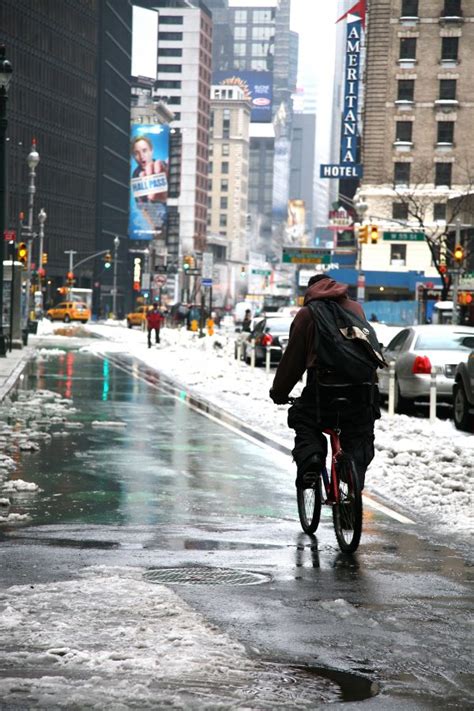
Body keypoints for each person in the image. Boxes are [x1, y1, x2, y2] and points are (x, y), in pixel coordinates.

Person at [269, 274, 380, 489]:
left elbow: (293, 360)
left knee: (302, 417)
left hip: (323, 392)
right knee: (359, 431)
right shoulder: (356, 309)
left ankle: (312, 459)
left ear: (311, 292)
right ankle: (354, 476)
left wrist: (280, 393)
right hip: (363, 390)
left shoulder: (307, 314)